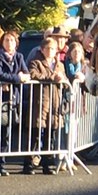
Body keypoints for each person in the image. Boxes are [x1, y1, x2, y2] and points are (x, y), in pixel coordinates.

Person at [0, 31, 31, 177]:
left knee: (7, 132)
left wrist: (18, 78)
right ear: (2, 42)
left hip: (13, 98)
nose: (9, 43)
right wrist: (16, 78)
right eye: (6, 40)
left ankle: (2, 163)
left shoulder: (19, 56)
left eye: (12, 40)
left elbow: (26, 73)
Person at [24, 37, 66, 175]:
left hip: (55, 103)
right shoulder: (36, 62)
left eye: (53, 49)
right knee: (35, 135)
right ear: (42, 50)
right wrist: (51, 77)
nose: (50, 51)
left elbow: (64, 79)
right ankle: (28, 163)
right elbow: (33, 74)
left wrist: (63, 80)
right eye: (47, 48)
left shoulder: (60, 65)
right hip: (40, 102)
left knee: (51, 136)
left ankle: (47, 164)